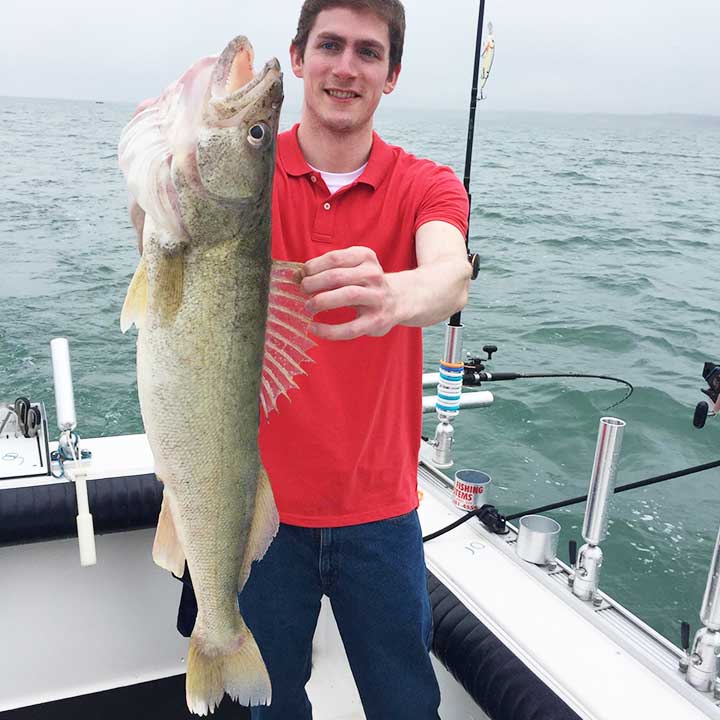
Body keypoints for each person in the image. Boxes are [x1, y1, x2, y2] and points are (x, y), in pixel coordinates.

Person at [238, 1, 472, 718]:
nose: (346, 67)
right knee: (265, 707)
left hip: (382, 512)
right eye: (330, 45)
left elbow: (450, 272)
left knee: (406, 705)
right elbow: (165, 227)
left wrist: (394, 294)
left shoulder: (424, 184)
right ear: (299, 57)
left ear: (391, 75)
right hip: (258, 510)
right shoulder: (244, 172)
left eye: (368, 52)